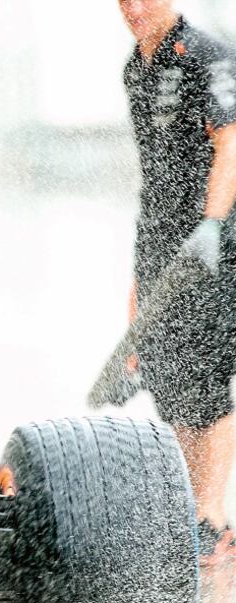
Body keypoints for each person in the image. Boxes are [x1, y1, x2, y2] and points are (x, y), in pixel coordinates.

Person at [117, 0, 236, 558]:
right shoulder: (136, 66)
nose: (133, 9)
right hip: (161, 232)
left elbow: (232, 140)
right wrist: (139, 290)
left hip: (214, 237)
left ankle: (211, 519)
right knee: (171, 376)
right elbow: (156, 172)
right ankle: (191, 509)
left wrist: (211, 224)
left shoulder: (206, 57)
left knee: (208, 378)